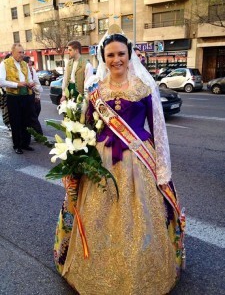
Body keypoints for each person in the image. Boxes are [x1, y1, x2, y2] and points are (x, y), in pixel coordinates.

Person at [54, 25, 185, 294]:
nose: (116, 60)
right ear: (103, 57)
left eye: (121, 54)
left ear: (130, 54)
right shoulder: (95, 89)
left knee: (141, 219)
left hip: (139, 159)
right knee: (99, 218)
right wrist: (77, 160)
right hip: (101, 163)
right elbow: (87, 126)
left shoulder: (144, 87)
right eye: (110, 55)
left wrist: (163, 171)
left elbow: (158, 129)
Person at [0, 43, 35, 154]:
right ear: (12, 52)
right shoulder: (4, 63)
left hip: (26, 95)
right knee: (16, 122)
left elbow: (29, 78)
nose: (22, 54)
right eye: (19, 52)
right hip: (13, 97)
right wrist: (17, 84)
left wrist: (31, 83)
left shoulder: (25, 64)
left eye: (23, 52)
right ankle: (17, 145)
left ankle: (25, 144)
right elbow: (1, 81)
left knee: (27, 121)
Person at [23, 56, 43, 135]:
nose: (31, 65)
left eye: (31, 63)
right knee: (33, 117)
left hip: (35, 96)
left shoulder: (32, 71)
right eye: (29, 63)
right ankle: (38, 134)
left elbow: (36, 83)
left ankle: (32, 130)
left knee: (36, 113)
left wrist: (37, 96)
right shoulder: (24, 71)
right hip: (28, 97)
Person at [0, 54, 11, 130]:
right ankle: (8, 124)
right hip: (4, 93)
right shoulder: (3, 67)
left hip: (11, 93)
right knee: (5, 109)